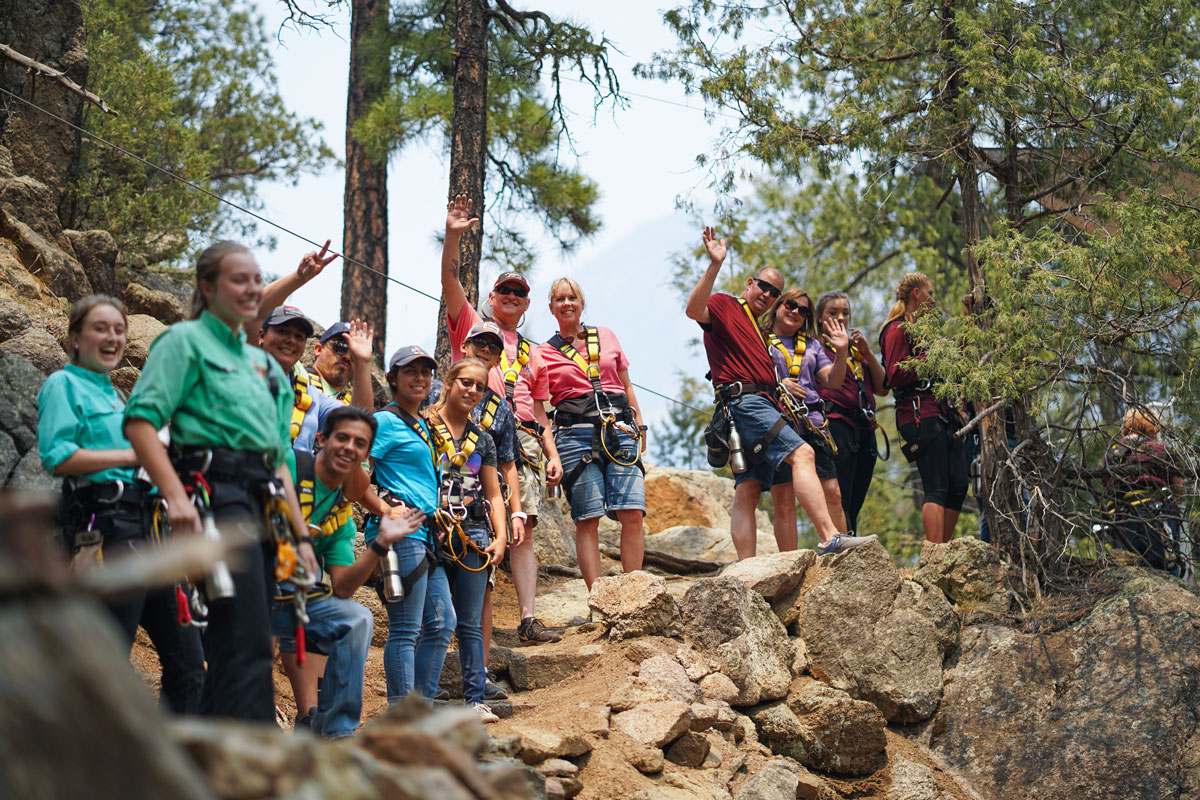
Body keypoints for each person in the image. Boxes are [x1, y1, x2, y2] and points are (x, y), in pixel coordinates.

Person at [124, 240, 319, 722]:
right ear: (207, 287)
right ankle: (245, 764)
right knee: (246, 637)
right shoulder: (183, 342)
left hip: (265, 503)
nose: (252, 288)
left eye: (257, 278)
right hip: (213, 495)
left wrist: (298, 535)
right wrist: (177, 499)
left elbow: (276, 459)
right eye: (239, 279)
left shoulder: (264, 368)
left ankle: (198, 761)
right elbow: (141, 422)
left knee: (248, 638)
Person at [37, 295, 204, 714]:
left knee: (188, 662)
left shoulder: (117, 397)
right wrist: (133, 456)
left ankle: (165, 765)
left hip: (150, 531)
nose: (112, 337)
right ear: (75, 338)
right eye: (100, 328)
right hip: (105, 528)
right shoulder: (64, 384)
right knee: (107, 659)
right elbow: (57, 457)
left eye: (119, 329)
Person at [685, 227, 876, 557]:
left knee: (750, 487)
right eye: (764, 286)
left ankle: (748, 567)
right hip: (746, 402)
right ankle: (830, 537)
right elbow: (693, 310)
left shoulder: (759, 332)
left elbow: (830, 378)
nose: (767, 294)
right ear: (749, 283)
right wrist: (715, 265)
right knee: (803, 455)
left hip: (758, 404)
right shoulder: (725, 305)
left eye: (775, 291)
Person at [440, 194, 560, 645]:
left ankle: (527, 618)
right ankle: (461, 624)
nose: (511, 297)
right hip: (468, 436)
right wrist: (453, 235)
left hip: (521, 442)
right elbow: (450, 281)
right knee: (467, 517)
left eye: (520, 293)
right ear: (491, 298)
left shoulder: (536, 352)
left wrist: (551, 453)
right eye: (504, 290)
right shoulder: (472, 327)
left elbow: (542, 407)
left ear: (527, 305)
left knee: (520, 523)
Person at [270, 406, 425, 737]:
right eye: (342, 438)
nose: (349, 448)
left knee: (357, 618)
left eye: (359, 444)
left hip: (293, 600)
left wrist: (381, 544)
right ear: (322, 439)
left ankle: (335, 732)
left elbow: (342, 588)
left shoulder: (339, 515)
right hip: (252, 586)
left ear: (367, 456)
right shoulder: (290, 463)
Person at [425, 320, 524, 701]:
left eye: (479, 386)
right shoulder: (426, 420)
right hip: (433, 527)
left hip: (474, 528)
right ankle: (423, 698)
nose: (472, 390)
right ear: (449, 382)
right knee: (432, 619)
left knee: (469, 619)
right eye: (465, 383)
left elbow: (497, 485)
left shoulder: (488, 428)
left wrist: (503, 533)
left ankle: (475, 696)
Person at [358, 345, 454, 706]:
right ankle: (403, 718)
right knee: (406, 627)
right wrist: (384, 509)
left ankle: (420, 712)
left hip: (428, 532)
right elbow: (357, 472)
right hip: (402, 533)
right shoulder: (384, 422)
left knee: (443, 622)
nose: (420, 377)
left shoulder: (425, 427)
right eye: (410, 371)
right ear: (392, 378)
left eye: (426, 371)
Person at [539, 277, 646, 588]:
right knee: (587, 517)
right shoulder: (543, 353)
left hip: (619, 428)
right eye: (560, 299)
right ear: (551, 308)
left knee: (632, 511)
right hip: (575, 435)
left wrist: (639, 426)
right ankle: (596, 598)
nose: (567, 303)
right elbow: (538, 407)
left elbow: (626, 385)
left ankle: (634, 589)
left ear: (582, 303)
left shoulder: (607, 336)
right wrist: (551, 453)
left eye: (572, 297)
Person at [736, 288, 849, 557]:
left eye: (804, 310)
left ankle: (843, 554)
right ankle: (790, 560)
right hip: (776, 421)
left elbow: (832, 380)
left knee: (832, 490)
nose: (796, 312)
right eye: (790, 304)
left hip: (811, 422)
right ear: (776, 306)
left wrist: (841, 352)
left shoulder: (811, 345)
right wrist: (778, 382)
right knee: (783, 499)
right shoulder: (759, 339)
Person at [879, 272, 969, 544]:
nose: (932, 299)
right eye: (929, 293)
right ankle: (935, 555)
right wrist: (931, 356)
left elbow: (952, 364)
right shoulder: (896, 329)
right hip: (919, 413)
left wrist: (966, 323)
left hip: (942, 412)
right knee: (937, 486)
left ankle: (942, 550)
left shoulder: (924, 333)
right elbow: (895, 374)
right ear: (916, 293)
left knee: (958, 484)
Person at [815, 290, 887, 534]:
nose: (841, 317)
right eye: (833, 313)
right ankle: (843, 549)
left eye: (845, 313)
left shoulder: (858, 351)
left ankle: (851, 540)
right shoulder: (817, 348)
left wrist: (867, 352)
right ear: (819, 317)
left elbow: (882, 388)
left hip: (864, 428)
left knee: (856, 498)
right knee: (840, 494)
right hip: (837, 423)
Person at [258, 305, 375, 454]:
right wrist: (300, 279)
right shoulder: (244, 369)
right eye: (282, 331)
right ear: (261, 336)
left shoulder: (310, 394)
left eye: (299, 336)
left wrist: (362, 362)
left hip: (291, 475)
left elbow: (357, 419)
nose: (291, 340)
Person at [1101, 408, 1188, 576]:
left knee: (1129, 570)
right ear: (1151, 426)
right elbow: (1179, 485)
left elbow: (1107, 483)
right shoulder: (1158, 450)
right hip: (1157, 514)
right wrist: (1175, 500)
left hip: (1122, 519)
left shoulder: (1112, 452)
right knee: (1166, 569)